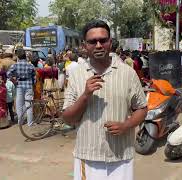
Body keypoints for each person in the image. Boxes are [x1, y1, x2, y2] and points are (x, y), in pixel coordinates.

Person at [62, 20, 147, 180]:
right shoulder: (77, 75)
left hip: (121, 157)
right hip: (88, 157)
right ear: (85, 45)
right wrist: (85, 95)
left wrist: (126, 125)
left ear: (110, 42)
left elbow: (142, 108)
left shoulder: (127, 73)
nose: (99, 45)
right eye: (93, 41)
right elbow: (67, 117)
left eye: (103, 40)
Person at [7, 48, 35, 126]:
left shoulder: (15, 65)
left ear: (18, 56)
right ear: (25, 56)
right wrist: (33, 84)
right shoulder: (30, 65)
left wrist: (13, 80)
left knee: (19, 104)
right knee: (29, 104)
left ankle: (20, 122)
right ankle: (30, 123)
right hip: (29, 85)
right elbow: (34, 77)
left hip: (19, 85)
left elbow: (8, 74)